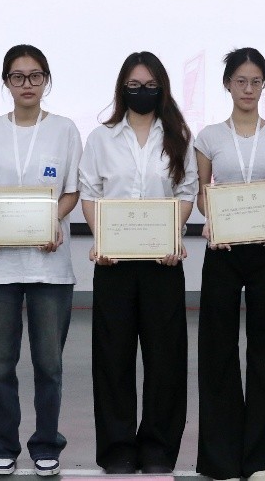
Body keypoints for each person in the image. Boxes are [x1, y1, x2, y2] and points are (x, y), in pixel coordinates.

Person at [79, 51, 198, 474]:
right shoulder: (102, 138)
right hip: (113, 264)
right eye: (134, 85)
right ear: (122, 88)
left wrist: (171, 235)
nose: (141, 92)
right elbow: (90, 193)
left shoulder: (178, 136)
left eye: (149, 85)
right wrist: (102, 239)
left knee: (166, 360)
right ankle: (118, 450)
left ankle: (158, 449)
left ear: (161, 88)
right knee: (112, 359)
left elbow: (186, 193)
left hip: (163, 264)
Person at [0, 45, 82, 477]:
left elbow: (71, 190)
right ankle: (3, 444)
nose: (27, 84)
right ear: (7, 83)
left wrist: (52, 219)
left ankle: (47, 443)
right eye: (18, 77)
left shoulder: (65, 129)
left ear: (46, 80)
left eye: (35, 76)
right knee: (0, 364)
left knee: (49, 365)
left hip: (50, 267)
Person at [195, 48, 265, 481]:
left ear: (264, 85)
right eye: (241, 81)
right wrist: (214, 218)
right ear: (227, 84)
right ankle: (220, 459)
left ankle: (263, 458)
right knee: (217, 349)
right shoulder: (208, 137)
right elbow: (203, 194)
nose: (248, 89)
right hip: (223, 252)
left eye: (256, 82)